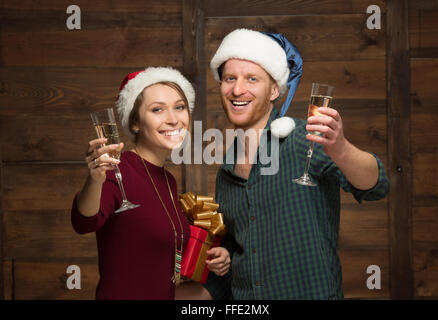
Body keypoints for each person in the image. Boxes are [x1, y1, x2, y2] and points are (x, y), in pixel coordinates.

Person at [203, 29, 390, 299]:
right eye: (230, 78)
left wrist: (341, 149)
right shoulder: (227, 170)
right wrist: (225, 258)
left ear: (274, 90)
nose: (237, 89)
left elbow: (377, 185)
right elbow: (240, 248)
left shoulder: (307, 140)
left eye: (251, 79)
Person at [71, 67, 230, 300]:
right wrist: (95, 180)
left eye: (179, 107)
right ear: (135, 123)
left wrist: (216, 256)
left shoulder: (167, 180)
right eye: (157, 109)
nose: (173, 119)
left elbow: (156, 255)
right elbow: (83, 221)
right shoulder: (118, 168)